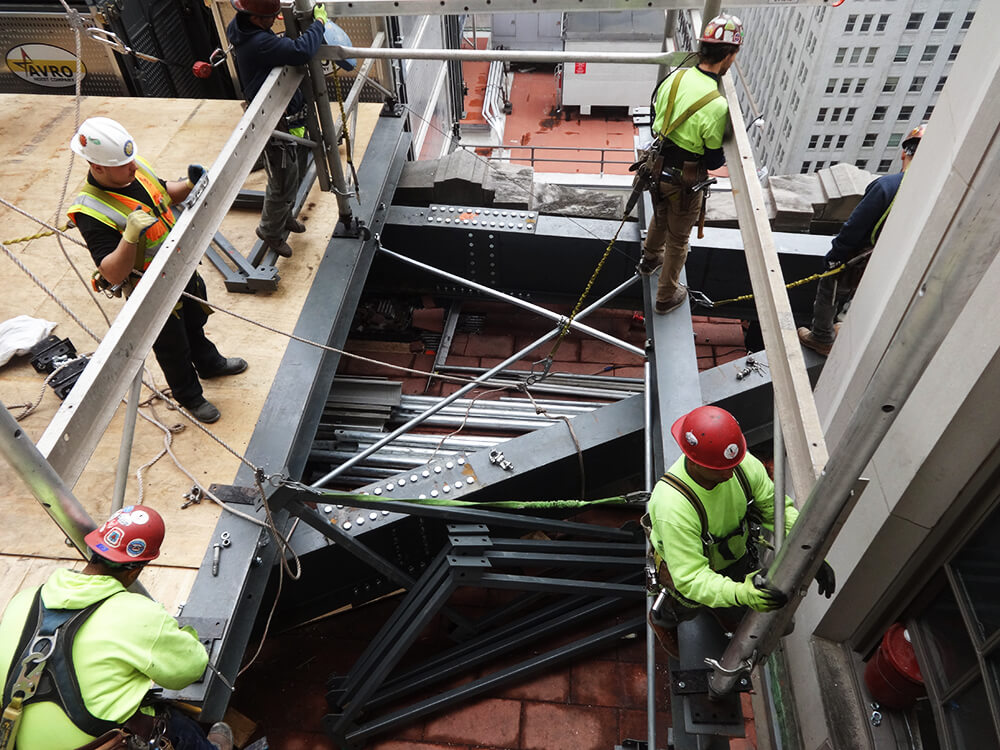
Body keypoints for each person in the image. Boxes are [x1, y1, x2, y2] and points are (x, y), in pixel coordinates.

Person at [0, 506, 233, 750]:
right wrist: (180, 635)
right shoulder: (138, 614)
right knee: (177, 728)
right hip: (98, 744)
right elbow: (190, 668)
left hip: (16, 740)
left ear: (92, 549)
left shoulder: (23, 600)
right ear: (135, 571)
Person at [68, 117, 248, 424]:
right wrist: (129, 237)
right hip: (149, 288)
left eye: (132, 160)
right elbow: (111, 272)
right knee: (171, 345)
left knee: (195, 321)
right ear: (97, 167)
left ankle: (208, 362)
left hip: (180, 268)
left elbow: (164, 192)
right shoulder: (91, 210)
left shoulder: (134, 168)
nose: (133, 168)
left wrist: (189, 185)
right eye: (124, 165)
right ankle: (189, 396)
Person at [645, 405, 836, 657]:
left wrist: (809, 552)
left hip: (734, 557)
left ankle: (725, 613)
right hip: (686, 568)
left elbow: (775, 509)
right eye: (721, 468)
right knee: (685, 603)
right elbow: (691, 579)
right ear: (695, 461)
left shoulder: (741, 465)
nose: (731, 472)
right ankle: (662, 619)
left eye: (733, 464)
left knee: (739, 609)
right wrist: (740, 593)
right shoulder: (674, 507)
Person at [639, 14, 742, 315]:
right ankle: (666, 295)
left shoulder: (677, 76)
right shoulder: (716, 104)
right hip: (686, 178)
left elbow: (655, 114)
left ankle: (649, 259)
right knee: (679, 238)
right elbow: (713, 158)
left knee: (660, 213)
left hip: (657, 167)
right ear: (727, 55)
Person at [798, 124, 926, 356]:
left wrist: (835, 256)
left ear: (905, 152)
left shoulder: (887, 187)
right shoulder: (930, 190)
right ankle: (844, 325)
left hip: (857, 259)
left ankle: (822, 337)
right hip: (892, 263)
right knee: (862, 296)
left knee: (830, 289)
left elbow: (854, 228)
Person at [227, 0, 328, 259]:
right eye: (271, 17)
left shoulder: (241, 29)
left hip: (277, 112)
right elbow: (301, 51)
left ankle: (283, 217)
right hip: (271, 119)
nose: (274, 20)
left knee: (292, 171)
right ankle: (269, 230)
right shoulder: (259, 43)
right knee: (282, 179)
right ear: (255, 19)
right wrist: (319, 24)